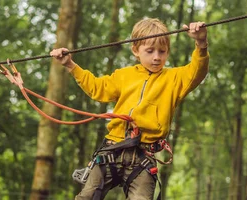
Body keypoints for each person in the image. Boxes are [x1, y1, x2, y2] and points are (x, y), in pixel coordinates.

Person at [50, 18, 209, 200]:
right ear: (135, 51)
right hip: (112, 149)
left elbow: (198, 71)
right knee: (86, 197)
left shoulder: (174, 79)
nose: (156, 57)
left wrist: (201, 43)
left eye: (162, 51)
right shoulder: (124, 76)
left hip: (143, 156)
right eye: (150, 51)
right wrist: (71, 65)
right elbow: (97, 87)